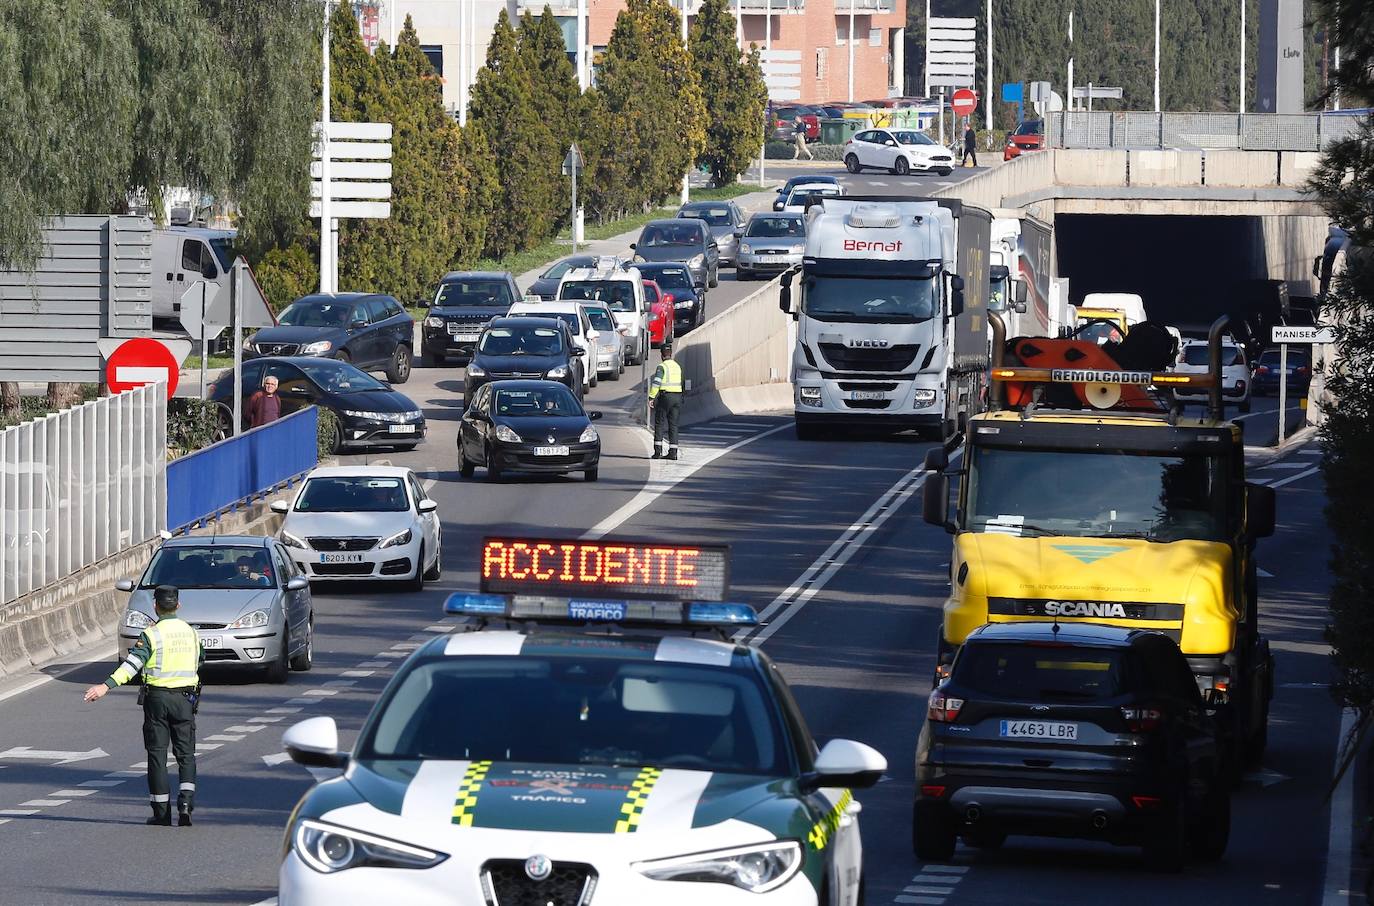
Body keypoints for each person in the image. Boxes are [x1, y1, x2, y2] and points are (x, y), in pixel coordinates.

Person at [83, 585, 203, 827]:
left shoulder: (152, 634)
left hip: (157, 700)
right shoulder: (191, 633)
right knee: (186, 755)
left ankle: (161, 813)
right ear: (178, 605)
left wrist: (105, 686)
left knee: (157, 755)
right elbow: (199, 660)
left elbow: (132, 666)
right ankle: (186, 804)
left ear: (156, 607)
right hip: (185, 700)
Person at [649, 345, 683, 460]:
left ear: (661, 355)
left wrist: (651, 397)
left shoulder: (662, 367)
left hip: (666, 396)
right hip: (677, 397)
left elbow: (656, 382)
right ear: (671, 354)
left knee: (659, 423)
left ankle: (657, 452)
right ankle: (673, 453)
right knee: (673, 425)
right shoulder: (677, 366)